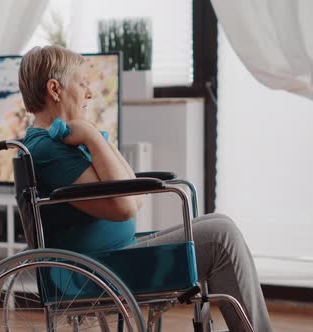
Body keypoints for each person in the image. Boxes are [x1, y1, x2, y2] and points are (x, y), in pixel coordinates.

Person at [19, 45, 273, 332]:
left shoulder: (55, 144)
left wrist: (96, 137)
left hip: (113, 259)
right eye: (82, 83)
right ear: (55, 89)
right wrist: (91, 136)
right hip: (99, 272)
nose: (89, 93)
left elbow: (133, 197)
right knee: (220, 237)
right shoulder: (48, 150)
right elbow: (126, 206)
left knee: (219, 224)